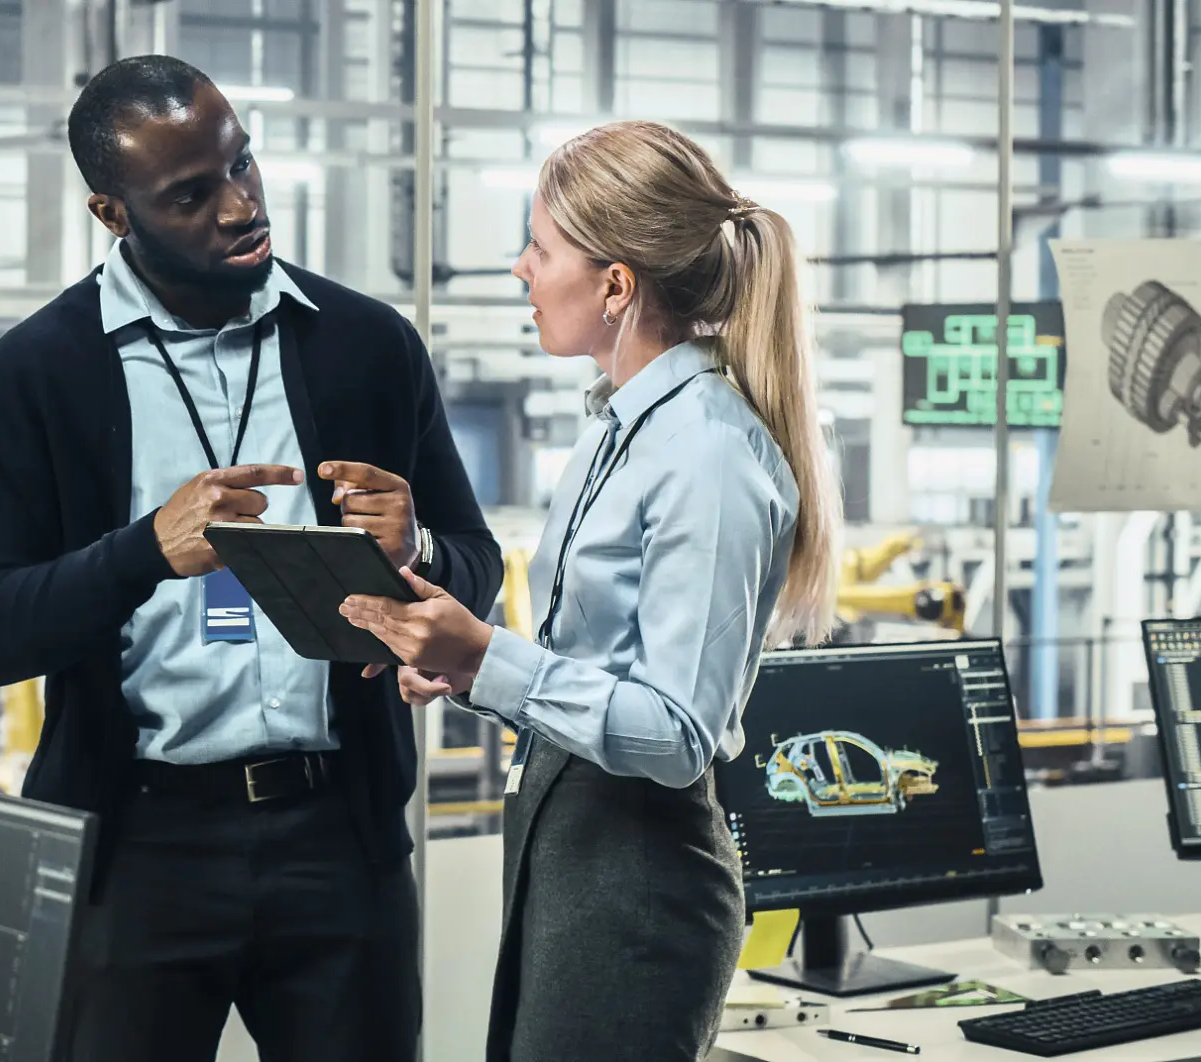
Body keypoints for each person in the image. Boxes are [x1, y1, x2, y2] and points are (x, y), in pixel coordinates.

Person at [0, 54, 502, 1062]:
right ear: (112, 214)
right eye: (192, 195)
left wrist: (418, 550)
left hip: (339, 842)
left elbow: (477, 561)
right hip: (134, 853)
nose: (241, 206)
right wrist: (144, 553)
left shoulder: (367, 346)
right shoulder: (32, 375)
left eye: (243, 165)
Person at [337, 119, 841, 1062]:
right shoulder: (620, 429)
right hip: (569, 851)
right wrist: (464, 671)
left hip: (639, 877)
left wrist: (489, 656)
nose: (521, 270)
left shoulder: (708, 456)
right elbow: (598, 675)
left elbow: (676, 731)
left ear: (615, 283)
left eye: (540, 246)